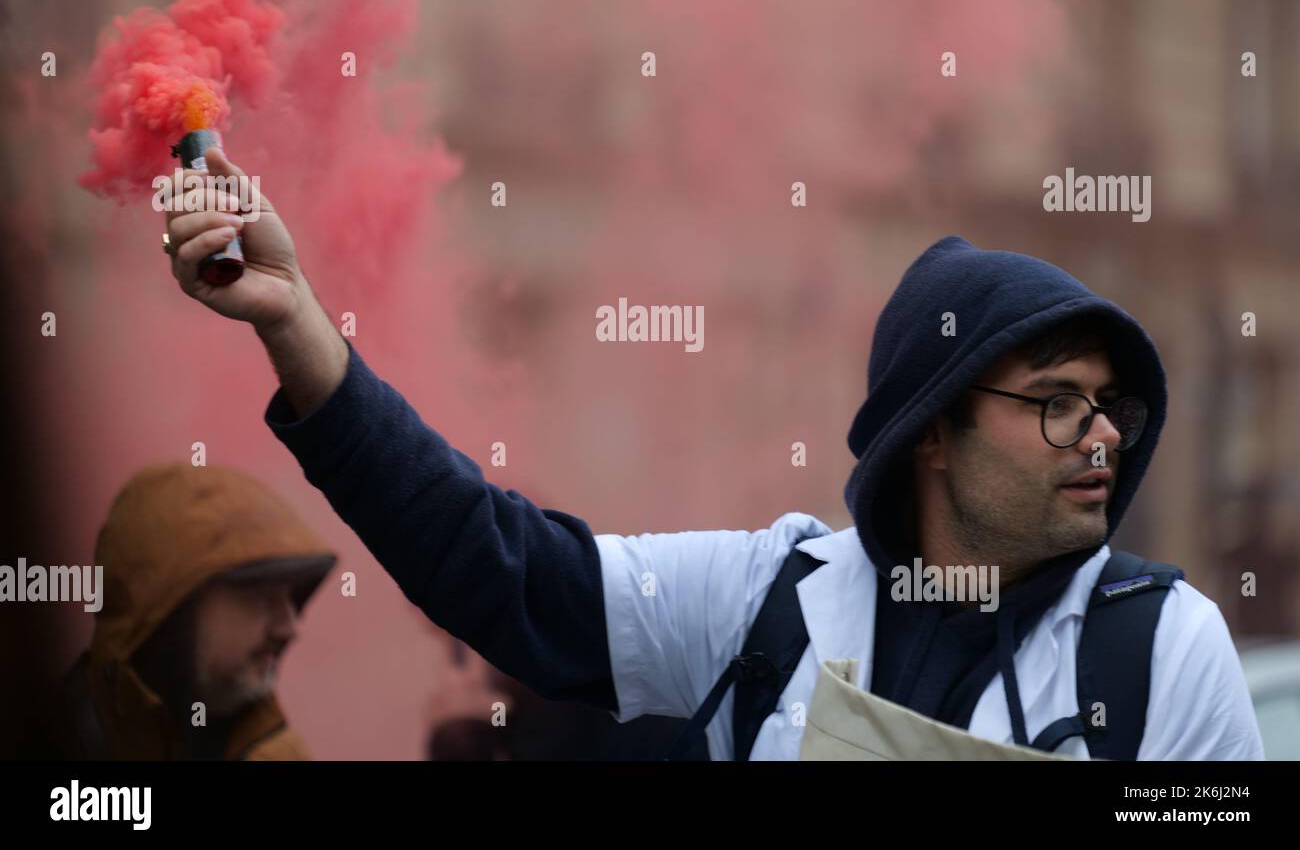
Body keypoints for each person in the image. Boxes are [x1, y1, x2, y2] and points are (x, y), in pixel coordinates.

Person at [159, 149, 1264, 760]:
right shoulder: (764, 601)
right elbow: (494, 563)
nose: (1103, 434)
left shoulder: (1165, 647)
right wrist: (294, 320)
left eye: (1109, 403)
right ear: (933, 429)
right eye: (1056, 402)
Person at [53, 461, 336, 760]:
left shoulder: (276, 754)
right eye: (260, 595)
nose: (289, 626)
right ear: (174, 607)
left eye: (291, 596)